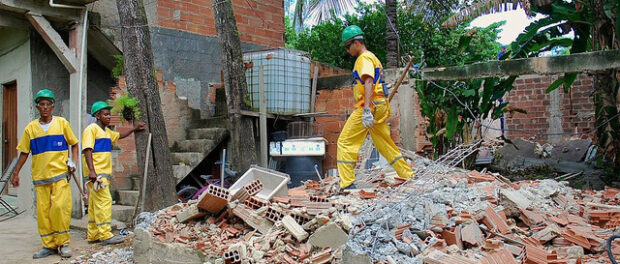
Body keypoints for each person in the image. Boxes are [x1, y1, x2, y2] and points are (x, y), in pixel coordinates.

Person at [337, 25, 414, 189]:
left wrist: (366, 110)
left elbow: (368, 81)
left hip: (369, 107)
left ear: (356, 43)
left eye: (348, 46)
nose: (347, 50)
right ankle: (408, 175)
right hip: (380, 105)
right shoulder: (373, 57)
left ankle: (346, 183)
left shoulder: (363, 59)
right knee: (385, 144)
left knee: (345, 142)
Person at [11, 89, 79, 259]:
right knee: (43, 213)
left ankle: (63, 243)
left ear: (53, 106)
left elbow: (75, 144)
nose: (45, 107)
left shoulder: (62, 123)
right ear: (37, 107)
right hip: (40, 178)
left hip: (60, 176)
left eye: (48, 104)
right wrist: (16, 172)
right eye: (42, 104)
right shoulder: (31, 129)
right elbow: (24, 152)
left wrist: (73, 162)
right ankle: (48, 245)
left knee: (59, 209)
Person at [82, 101, 145, 245]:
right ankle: (105, 235)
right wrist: (92, 171)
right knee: (105, 202)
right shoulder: (91, 129)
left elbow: (118, 135)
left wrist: (134, 129)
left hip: (101, 173)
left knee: (94, 204)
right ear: (97, 115)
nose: (109, 116)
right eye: (106, 114)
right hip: (97, 174)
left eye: (109, 114)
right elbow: (87, 149)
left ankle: (93, 234)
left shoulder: (106, 131)